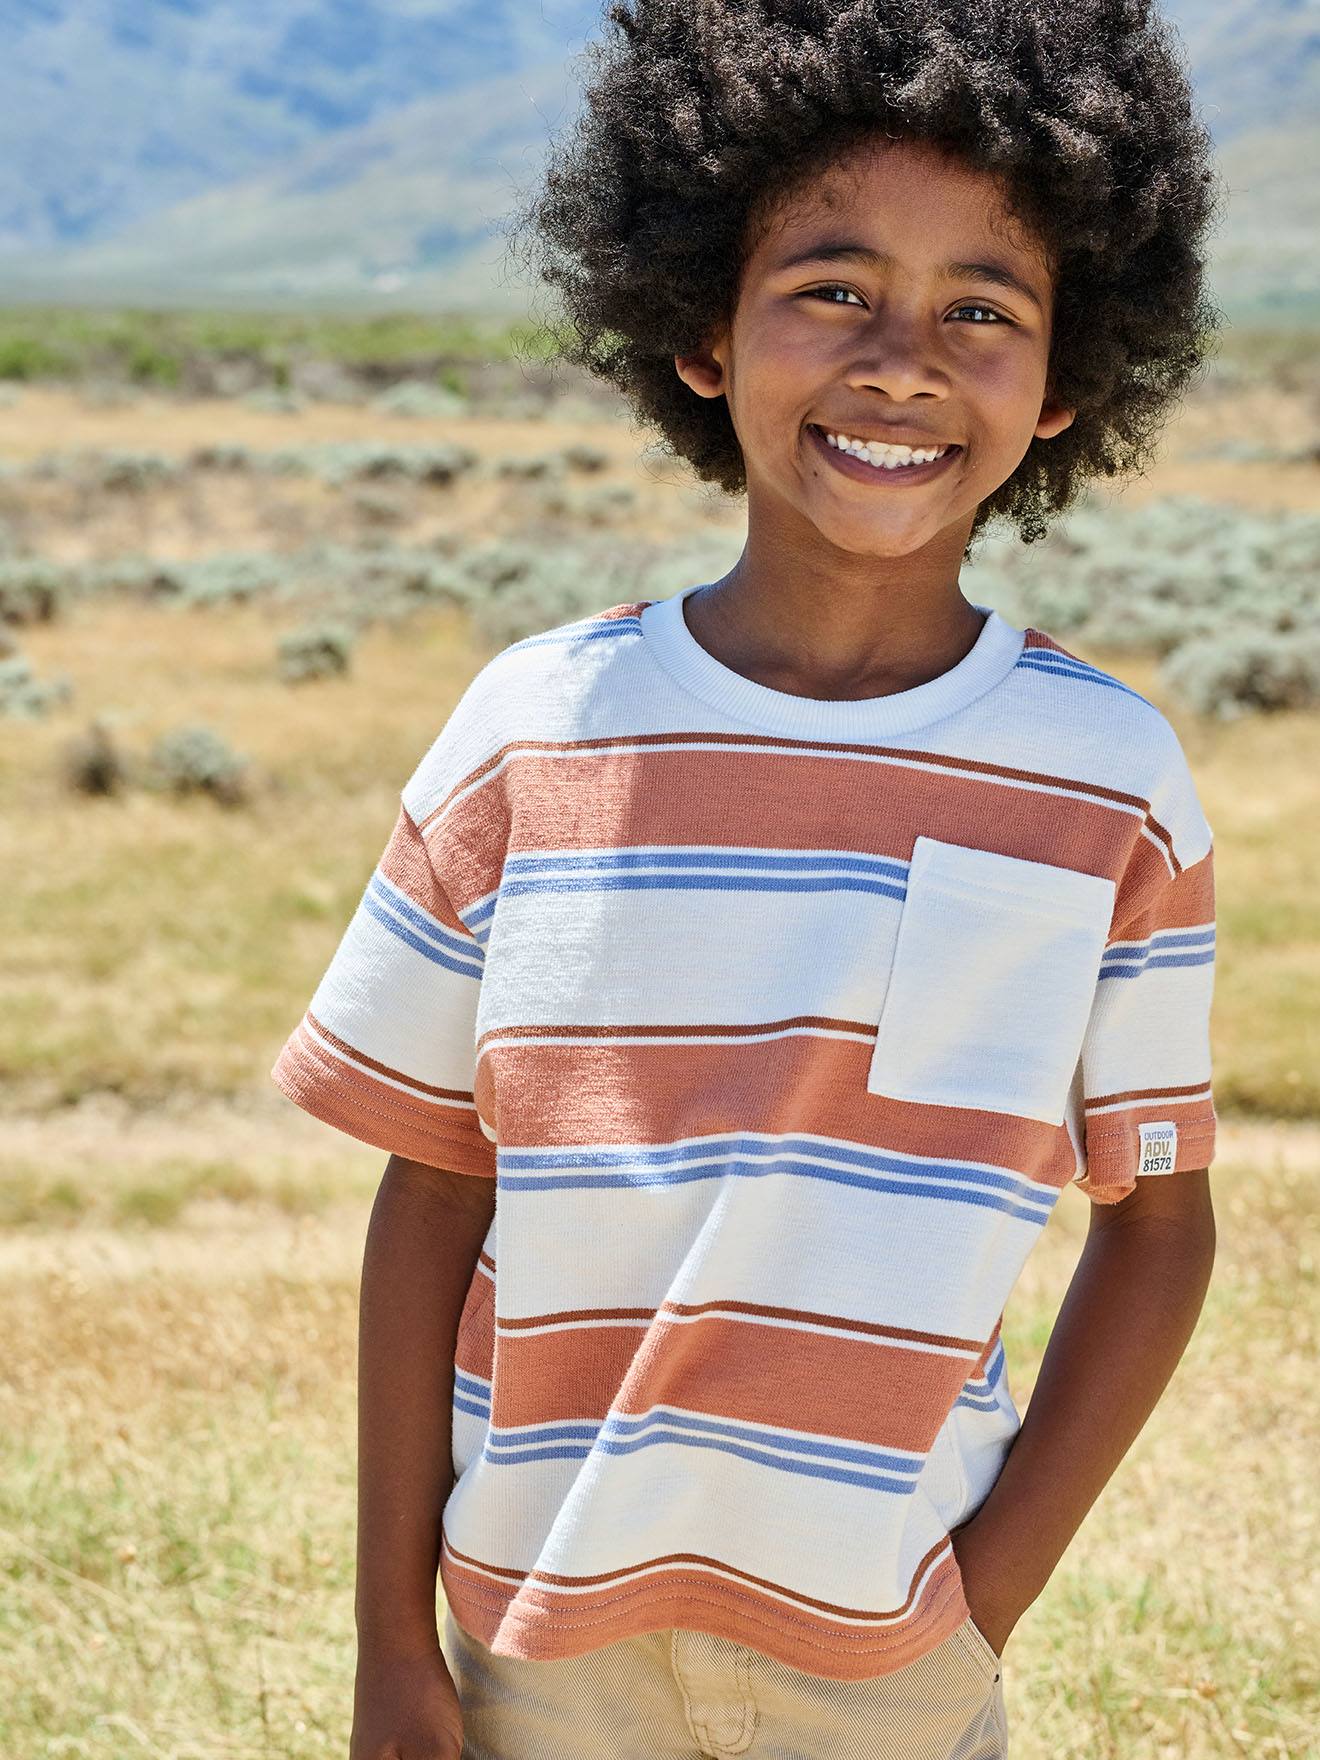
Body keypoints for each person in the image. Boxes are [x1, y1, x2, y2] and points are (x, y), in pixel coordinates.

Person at [271, 2, 1224, 1754]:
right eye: (833, 288)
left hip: (890, 1657)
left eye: (983, 309)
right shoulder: (532, 736)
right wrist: (388, 1644)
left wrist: (976, 1607)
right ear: (702, 326)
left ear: (1070, 373)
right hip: (535, 1644)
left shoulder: (1108, 783)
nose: (903, 359)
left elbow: (1158, 1227)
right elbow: (430, 1194)